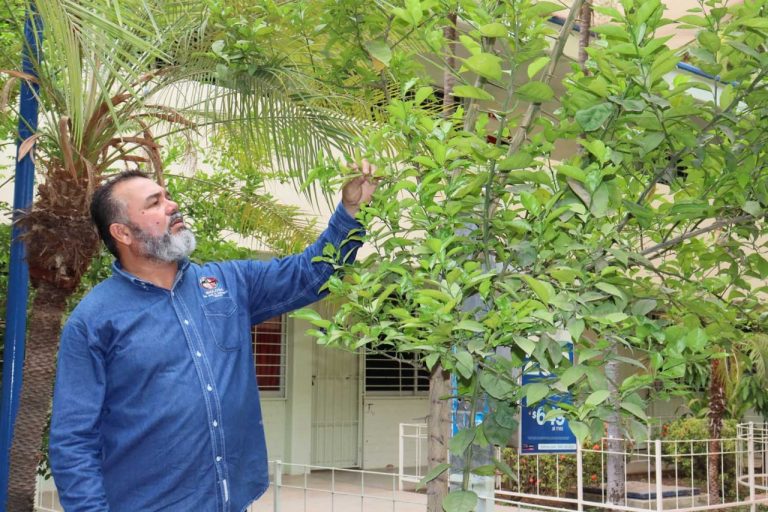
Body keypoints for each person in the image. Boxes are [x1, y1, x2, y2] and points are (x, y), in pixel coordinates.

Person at [49, 165, 377, 512]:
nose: (172, 205)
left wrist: (351, 211)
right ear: (123, 233)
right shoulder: (94, 319)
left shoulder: (227, 283)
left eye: (168, 196)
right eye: (155, 202)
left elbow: (312, 272)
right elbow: (73, 440)